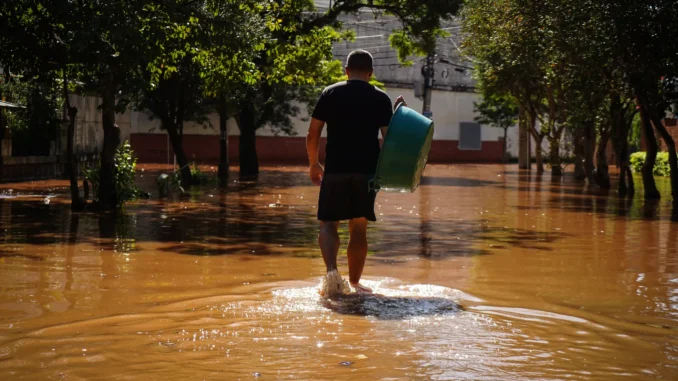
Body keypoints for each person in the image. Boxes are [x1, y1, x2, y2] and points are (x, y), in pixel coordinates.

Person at [306, 49, 406, 296]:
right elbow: (390, 139)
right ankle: (355, 283)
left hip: (336, 168)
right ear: (371, 73)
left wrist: (313, 164)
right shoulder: (380, 98)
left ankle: (331, 274)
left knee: (329, 222)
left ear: (346, 70)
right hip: (367, 171)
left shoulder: (330, 93)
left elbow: (313, 133)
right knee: (358, 227)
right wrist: (400, 114)